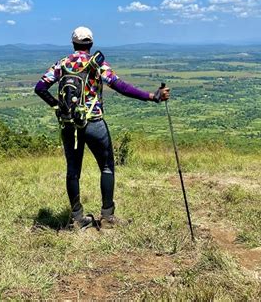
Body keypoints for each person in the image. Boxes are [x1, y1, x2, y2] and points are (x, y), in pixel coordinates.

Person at [34, 26, 170, 229]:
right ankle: (107, 217)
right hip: (93, 122)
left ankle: (77, 218)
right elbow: (119, 86)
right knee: (106, 167)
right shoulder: (95, 63)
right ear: (90, 44)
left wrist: (58, 106)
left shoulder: (62, 64)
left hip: (69, 124)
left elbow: (40, 87)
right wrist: (152, 96)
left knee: (73, 171)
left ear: (73, 43)